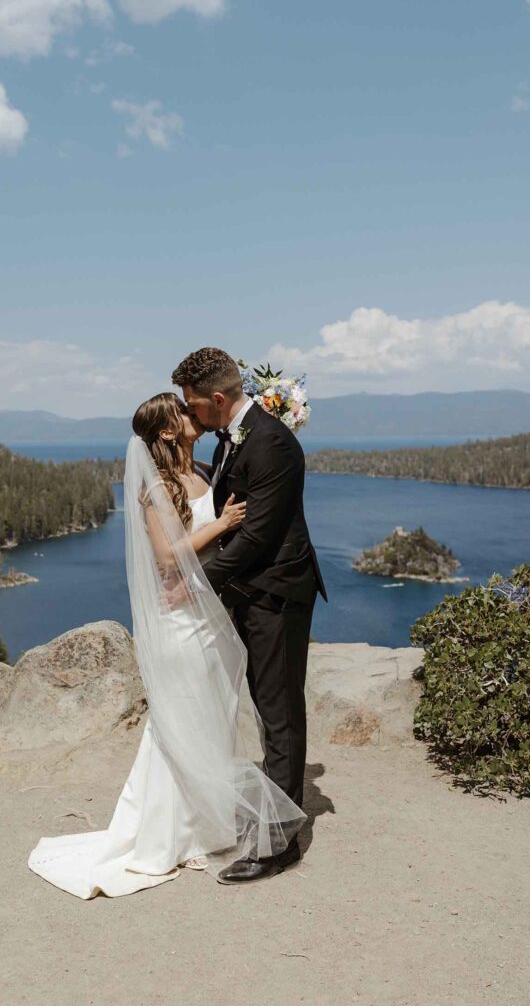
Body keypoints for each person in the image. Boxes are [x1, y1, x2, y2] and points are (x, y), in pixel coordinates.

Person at [27, 392, 306, 899]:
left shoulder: (203, 466)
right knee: (180, 717)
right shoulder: (155, 485)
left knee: (213, 714)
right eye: (182, 411)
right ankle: (167, 832)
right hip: (182, 620)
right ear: (166, 432)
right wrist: (222, 525)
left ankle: (208, 823)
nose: (190, 414)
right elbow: (165, 557)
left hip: (210, 611)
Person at [172, 347, 328, 883]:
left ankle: (279, 844)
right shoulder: (233, 436)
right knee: (264, 706)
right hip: (249, 592)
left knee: (280, 709)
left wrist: (195, 583)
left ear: (218, 399)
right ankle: (272, 813)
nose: (188, 412)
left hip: (276, 594)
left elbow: (259, 534)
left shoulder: (272, 443)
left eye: (192, 404)